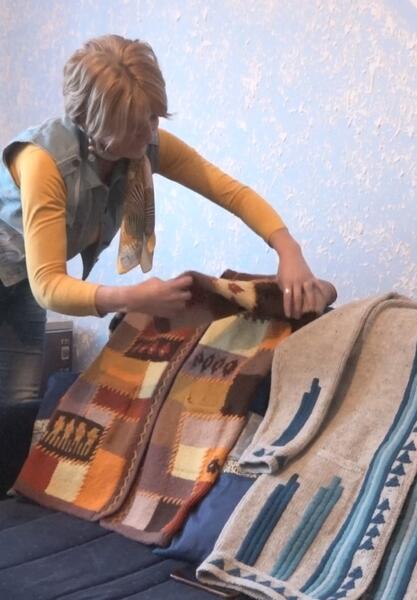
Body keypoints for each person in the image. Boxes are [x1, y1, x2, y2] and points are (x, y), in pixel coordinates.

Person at [0, 34, 332, 404]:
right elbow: (48, 285)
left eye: (153, 117)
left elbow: (229, 192)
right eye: (136, 126)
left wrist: (288, 249)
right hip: (25, 275)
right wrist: (132, 297)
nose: (150, 132)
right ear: (95, 125)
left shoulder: (143, 146)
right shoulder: (44, 164)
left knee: (20, 401)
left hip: (18, 278)